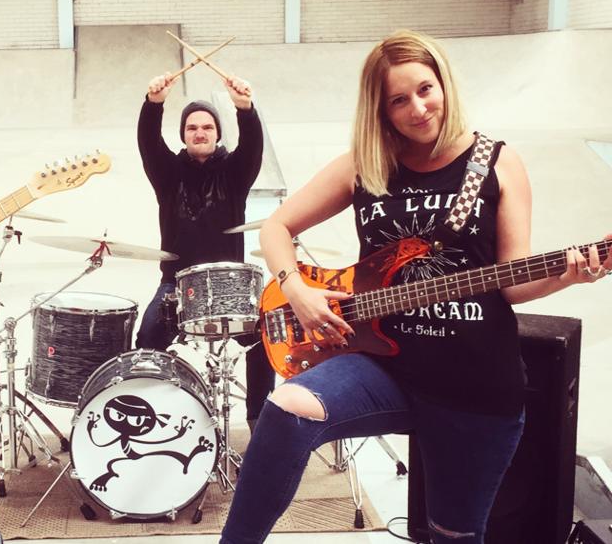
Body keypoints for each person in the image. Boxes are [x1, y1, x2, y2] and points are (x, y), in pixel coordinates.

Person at [220, 30, 612, 544]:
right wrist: (296, 289)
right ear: (380, 110)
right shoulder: (367, 162)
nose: (418, 109)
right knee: (286, 408)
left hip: (475, 383)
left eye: (425, 89)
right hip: (384, 362)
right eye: (399, 100)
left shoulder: (495, 162)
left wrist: (570, 273)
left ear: (444, 83)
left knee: (452, 534)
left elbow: (511, 281)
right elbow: (276, 227)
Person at [136, 72, 276, 432]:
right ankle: (152, 417)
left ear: (217, 133)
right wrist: (154, 104)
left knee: (264, 337)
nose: (200, 133)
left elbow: (253, 146)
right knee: (148, 336)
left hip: (230, 282)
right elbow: (148, 143)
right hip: (177, 284)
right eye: (192, 128)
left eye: (207, 127)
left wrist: (245, 107)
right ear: (183, 135)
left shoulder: (234, 173)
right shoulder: (167, 174)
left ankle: (260, 419)